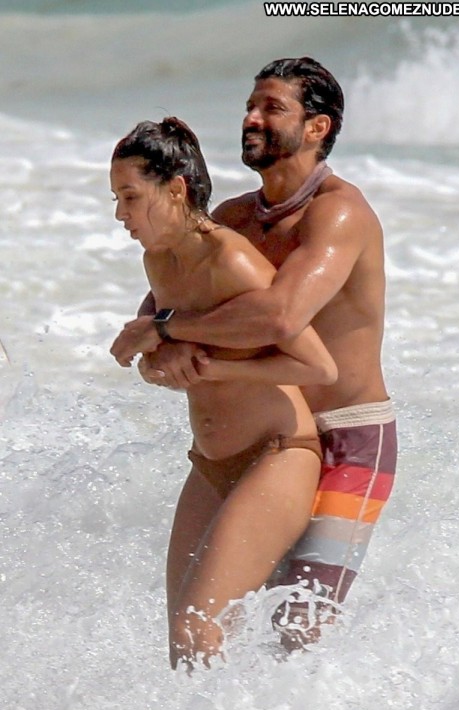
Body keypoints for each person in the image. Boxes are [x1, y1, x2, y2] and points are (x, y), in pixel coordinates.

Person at [111, 57, 398, 649]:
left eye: (272, 108)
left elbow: (281, 315)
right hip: (263, 430)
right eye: (250, 106)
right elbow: (158, 319)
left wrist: (167, 331)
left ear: (316, 127)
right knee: (213, 630)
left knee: (295, 632)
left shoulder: (338, 212)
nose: (252, 119)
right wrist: (163, 349)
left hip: (348, 436)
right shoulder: (233, 219)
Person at [109, 116, 338, 668]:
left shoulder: (229, 259)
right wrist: (164, 362)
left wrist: (210, 368)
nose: (120, 214)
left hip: (277, 456)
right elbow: (157, 364)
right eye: (116, 198)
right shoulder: (159, 261)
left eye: (130, 197)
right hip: (211, 464)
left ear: (175, 189)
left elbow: (317, 366)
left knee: (197, 631)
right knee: (184, 649)